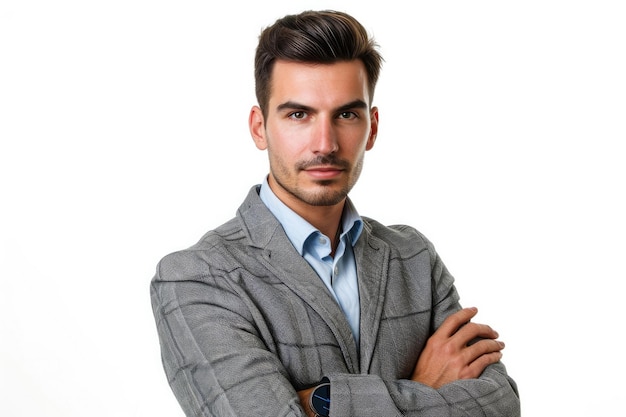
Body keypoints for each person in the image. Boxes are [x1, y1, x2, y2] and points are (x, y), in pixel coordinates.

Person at [150, 9, 520, 417]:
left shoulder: (413, 257)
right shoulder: (196, 277)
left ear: (372, 127)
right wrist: (421, 388)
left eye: (346, 114)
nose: (324, 143)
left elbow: (500, 404)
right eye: (298, 114)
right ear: (259, 127)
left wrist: (323, 403)